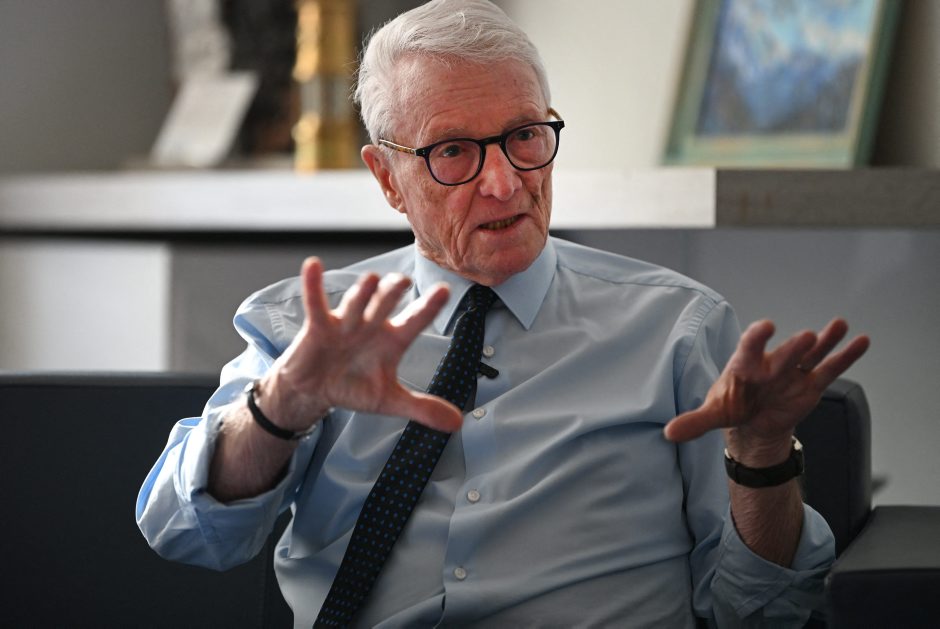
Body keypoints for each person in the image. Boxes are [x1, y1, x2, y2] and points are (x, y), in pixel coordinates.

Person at [136, 1, 870, 626]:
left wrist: (762, 455)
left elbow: (760, 612)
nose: (503, 183)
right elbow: (185, 531)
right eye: (454, 151)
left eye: (523, 137)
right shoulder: (311, 329)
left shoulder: (676, 329)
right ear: (387, 177)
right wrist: (281, 406)